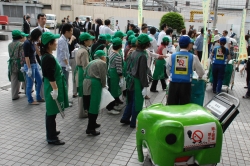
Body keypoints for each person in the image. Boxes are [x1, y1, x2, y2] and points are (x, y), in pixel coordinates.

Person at [40, 32, 69, 145]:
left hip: (52, 86)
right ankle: (51, 137)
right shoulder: (48, 58)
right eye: (54, 42)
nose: (56, 43)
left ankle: (52, 132)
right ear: (49, 44)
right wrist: (55, 90)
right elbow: (50, 76)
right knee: (51, 113)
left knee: (52, 113)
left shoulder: (48, 56)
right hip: (51, 88)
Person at [120, 34, 151, 128]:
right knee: (137, 103)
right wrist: (145, 86)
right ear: (146, 44)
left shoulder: (132, 52)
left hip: (130, 80)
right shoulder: (142, 56)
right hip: (137, 82)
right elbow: (142, 73)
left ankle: (125, 118)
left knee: (130, 101)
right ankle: (134, 122)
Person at [166, 36, 205, 105]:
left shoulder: (172, 56)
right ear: (189, 45)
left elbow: (168, 69)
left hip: (173, 84)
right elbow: (201, 72)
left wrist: (172, 76)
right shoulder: (193, 57)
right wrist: (200, 76)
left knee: (171, 106)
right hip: (186, 85)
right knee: (184, 107)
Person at [83, 50, 107, 136]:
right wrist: (104, 85)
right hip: (94, 84)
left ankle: (93, 123)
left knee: (89, 103)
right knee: (94, 105)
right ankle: (90, 128)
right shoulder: (102, 63)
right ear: (102, 57)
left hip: (86, 82)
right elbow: (103, 75)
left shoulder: (92, 61)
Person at [75, 33, 95, 118]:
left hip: (79, 71)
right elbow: (86, 65)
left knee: (82, 92)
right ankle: (82, 113)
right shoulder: (84, 52)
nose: (91, 41)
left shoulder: (82, 49)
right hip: (82, 73)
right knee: (83, 93)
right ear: (85, 41)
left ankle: (83, 111)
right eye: (89, 40)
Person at [23, 29, 44, 105]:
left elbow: (37, 52)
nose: (39, 38)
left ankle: (38, 96)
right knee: (30, 84)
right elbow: (27, 57)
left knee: (39, 80)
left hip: (34, 64)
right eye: (39, 37)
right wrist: (28, 68)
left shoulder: (32, 43)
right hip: (30, 65)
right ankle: (30, 100)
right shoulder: (27, 43)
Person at [8, 30, 28, 100]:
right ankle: (26, 91)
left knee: (14, 79)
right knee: (23, 77)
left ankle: (14, 95)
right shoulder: (21, 44)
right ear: (20, 36)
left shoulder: (9, 44)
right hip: (19, 63)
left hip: (12, 63)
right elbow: (22, 55)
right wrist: (24, 64)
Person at [106, 38, 124, 115]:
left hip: (111, 72)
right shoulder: (118, 56)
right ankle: (110, 108)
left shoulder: (111, 52)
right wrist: (121, 78)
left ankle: (112, 105)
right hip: (114, 74)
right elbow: (119, 68)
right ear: (120, 46)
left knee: (112, 90)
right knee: (113, 91)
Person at [57, 23, 75, 97]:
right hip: (63, 66)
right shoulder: (61, 40)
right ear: (66, 32)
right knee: (64, 83)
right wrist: (67, 64)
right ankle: (64, 100)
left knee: (65, 82)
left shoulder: (65, 40)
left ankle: (65, 99)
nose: (72, 33)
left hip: (64, 65)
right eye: (71, 31)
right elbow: (63, 55)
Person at [68, 24, 80, 98]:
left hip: (70, 57)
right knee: (75, 75)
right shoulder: (77, 32)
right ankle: (75, 92)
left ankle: (74, 92)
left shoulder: (66, 36)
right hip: (73, 58)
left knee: (73, 76)